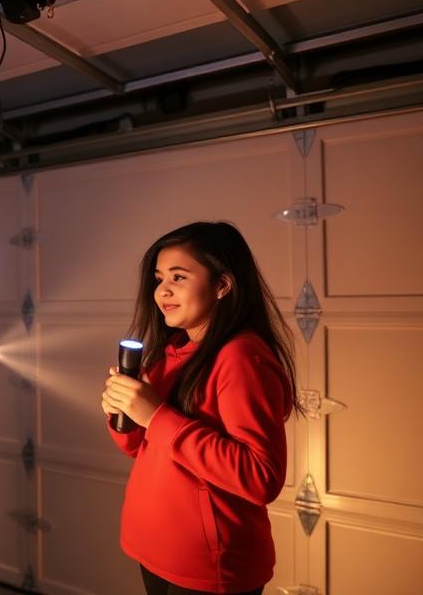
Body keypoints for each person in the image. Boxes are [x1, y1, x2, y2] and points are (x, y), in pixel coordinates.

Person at [101, 221, 298, 595]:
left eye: (179, 277)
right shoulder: (172, 352)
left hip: (208, 565)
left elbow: (261, 477)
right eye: (159, 278)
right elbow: (136, 447)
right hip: (155, 549)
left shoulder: (241, 358)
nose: (163, 290)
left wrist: (155, 415)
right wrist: (122, 410)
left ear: (222, 285)